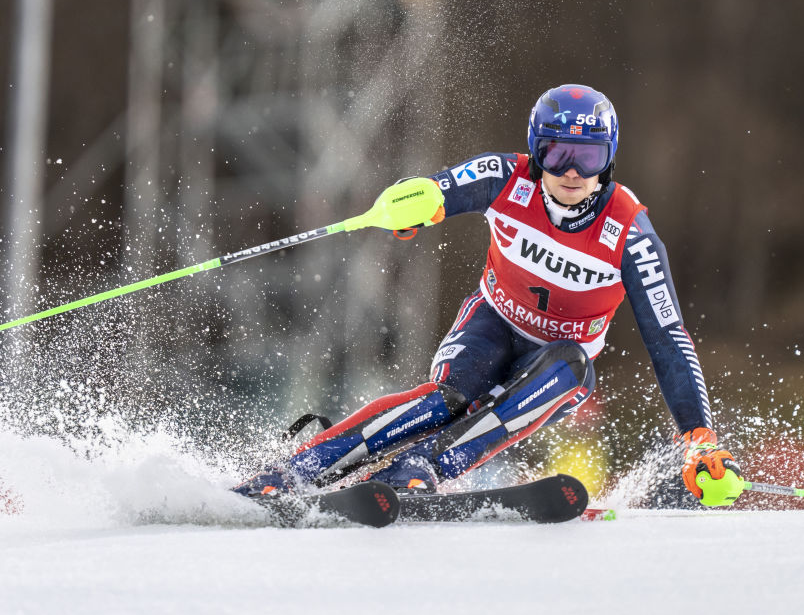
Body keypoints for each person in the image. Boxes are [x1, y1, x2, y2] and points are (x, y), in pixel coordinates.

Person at [234, 84, 741, 505]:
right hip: (492, 324)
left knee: (570, 365)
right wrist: (412, 205)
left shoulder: (630, 232)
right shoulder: (506, 178)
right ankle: (297, 470)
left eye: (588, 158)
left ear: (608, 160)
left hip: (556, 363)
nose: (571, 172)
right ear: (535, 150)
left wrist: (699, 439)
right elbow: (438, 190)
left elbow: (668, 337)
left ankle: (422, 468)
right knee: (451, 398)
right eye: (556, 152)